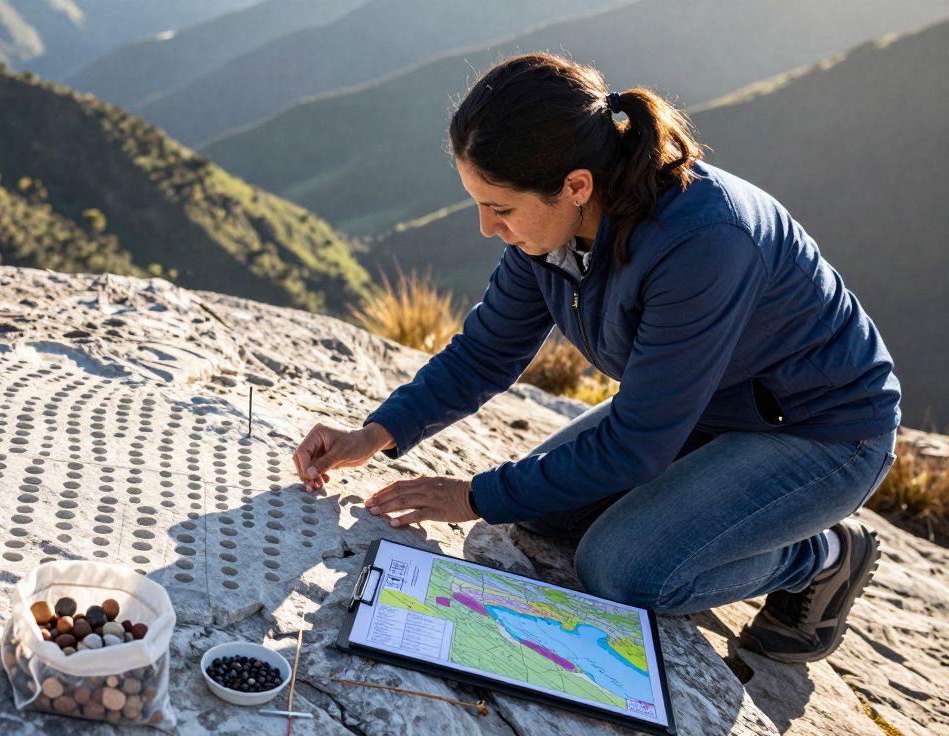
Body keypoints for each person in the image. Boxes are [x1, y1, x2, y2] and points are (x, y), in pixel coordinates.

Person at [292, 53, 900, 663]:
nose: (485, 228)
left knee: (622, 571)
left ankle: (820, 557)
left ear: (576, 185)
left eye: (500, 208)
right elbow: (485, 352)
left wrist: (471, 496)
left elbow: (637, 445)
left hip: (819, 432)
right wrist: (375, 433)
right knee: (542, 518)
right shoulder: (556, 230)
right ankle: (719, 519)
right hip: (700, 411)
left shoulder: (705, 243)